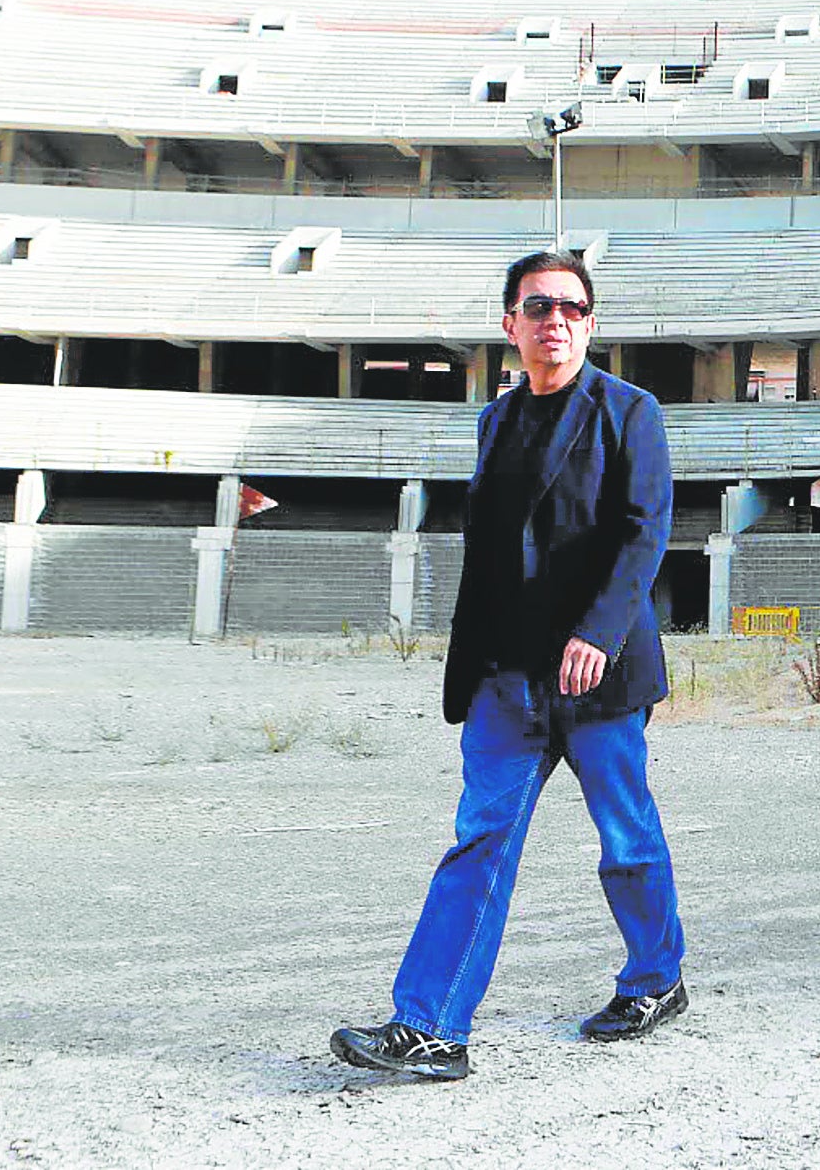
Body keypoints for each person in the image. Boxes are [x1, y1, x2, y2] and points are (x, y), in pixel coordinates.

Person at [333, 251, 686, 1081]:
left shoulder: (630, 411)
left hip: (599, 676)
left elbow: (645, 531)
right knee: (479, 843)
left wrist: (596, 632)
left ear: (591, 324)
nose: (554, 320)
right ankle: (429, 1026)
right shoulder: (495, 421)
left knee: (627, 839)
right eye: (537, 307)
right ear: (510, 325)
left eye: (571, 307)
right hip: (506, 680)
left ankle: (655, 976)